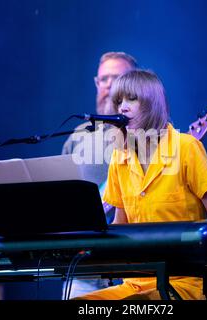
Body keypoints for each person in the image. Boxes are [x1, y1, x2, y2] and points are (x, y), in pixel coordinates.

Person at [73, 69, 207, 300]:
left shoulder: (186, 147)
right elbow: (120, 224)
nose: (122, 107)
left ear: (151, 103)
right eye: (119, 101)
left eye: (131, 99)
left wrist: (198, 249)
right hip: (133, 283)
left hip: (181, 284)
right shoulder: (120, 158)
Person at [60, 52, 138, 299]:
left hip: (132, 265)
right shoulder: (78, 136)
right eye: (104, 79)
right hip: (82, 269)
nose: (109, 86)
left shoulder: (149, 133)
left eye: (118, 78)